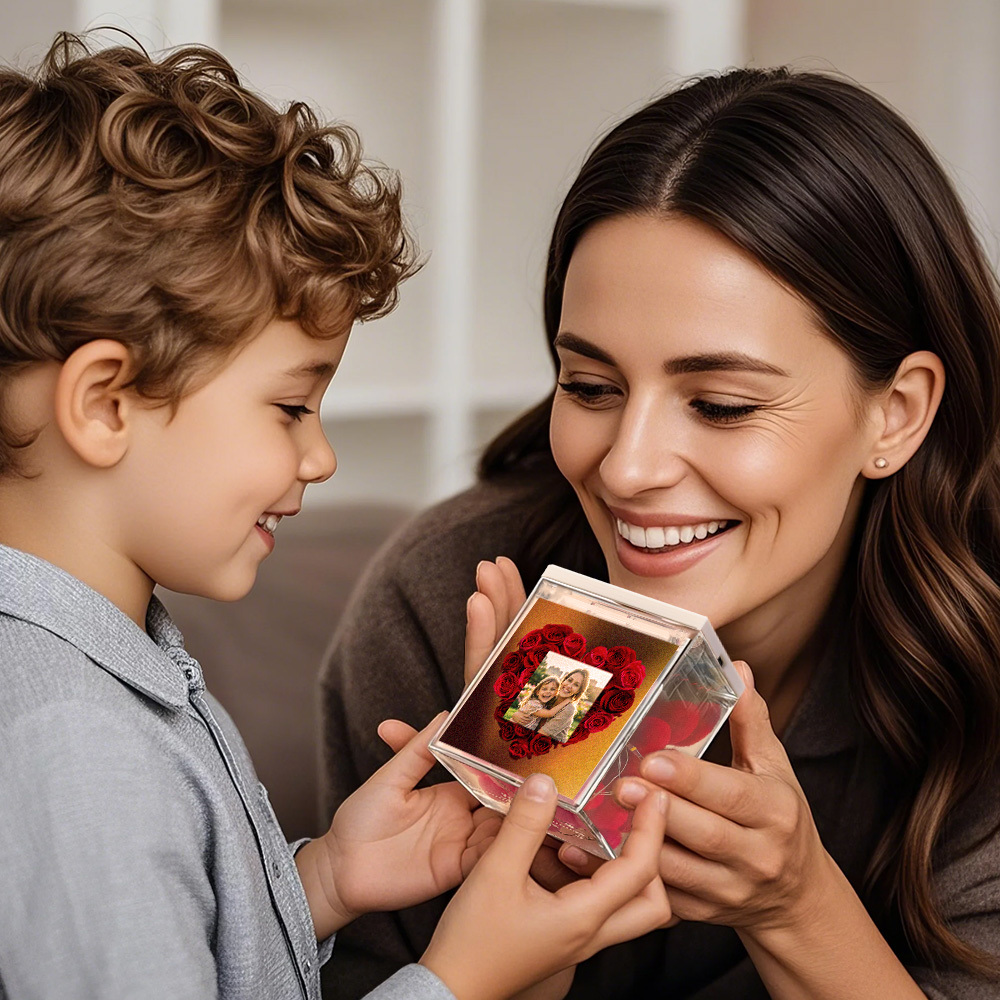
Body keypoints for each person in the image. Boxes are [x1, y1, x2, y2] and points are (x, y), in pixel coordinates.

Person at [0, 34, 678, 1000]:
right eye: (289, 408)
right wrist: (457, 980)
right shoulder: (75, 751)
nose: (319, 458)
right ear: (106, 404)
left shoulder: (97, 678)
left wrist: (317, 881)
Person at [320, 67, 1000, 999]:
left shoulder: (984, 666)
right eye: (591, 388)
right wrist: (520, 914)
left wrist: (796, 907)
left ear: (898, 414)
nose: (627, 467)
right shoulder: (445, 599)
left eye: (720, 404)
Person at [534, 668, 589, 742]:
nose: (569, 686)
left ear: (578, 691)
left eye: (576, 685)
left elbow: (542, 733)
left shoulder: (569, 709)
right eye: (569, 680)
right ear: (564, 680)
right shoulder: (550, 696)